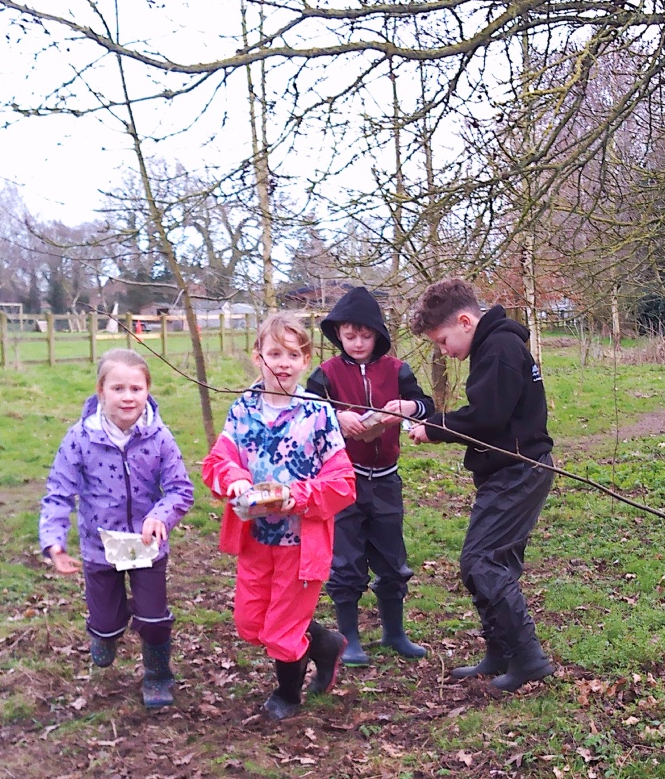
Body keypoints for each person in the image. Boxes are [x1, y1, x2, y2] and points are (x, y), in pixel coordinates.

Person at [202, 311, 357, 720]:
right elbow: (216, 462)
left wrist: (297, 496)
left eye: (293, 354)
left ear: (306, 360)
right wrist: (235, 479)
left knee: (281, 631)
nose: (283, 363)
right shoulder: (242, 409)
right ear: (258, 357)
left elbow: (343, 482)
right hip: (255, 538)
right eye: (274, 354)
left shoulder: (317, 414)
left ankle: (288, 695)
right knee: (251, 623)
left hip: (301, 543)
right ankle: (326, 644)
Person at [407, 277, 556, 692]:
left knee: (482, 562)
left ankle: (528, 659)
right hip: (509, 470)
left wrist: (435, 427)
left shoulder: (500, 349)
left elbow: (487, 417)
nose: (444, 351)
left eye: (442, 341)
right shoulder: (493, 346)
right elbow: (493, 413)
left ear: (465, 321)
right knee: (491, 563)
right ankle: (501, 651)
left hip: (520, 469)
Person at [39, 348, 195, 710]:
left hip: (146, 545)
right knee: (106, 623)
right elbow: (59, 491)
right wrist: (54, 543)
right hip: (100, 548)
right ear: (101, 391)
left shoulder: (159, 437)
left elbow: (180, 489)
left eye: (136, 389)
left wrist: (161, 516)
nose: (128, 397)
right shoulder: (80, 438)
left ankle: (158, 674)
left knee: (154, 618)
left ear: (147, 391)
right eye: (118, 388)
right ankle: (106, 631)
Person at [305, 286, 434, 665]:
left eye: (365, 335)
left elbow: (424, 405)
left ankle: (395, 633)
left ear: (378, 334)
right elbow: (305, 417)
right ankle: (349, 640)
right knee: (346, 560)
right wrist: (335, 417)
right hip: (342, 480)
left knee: (392, 558)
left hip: (387, 480)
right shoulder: (325, 375)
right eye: (350, 336)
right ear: (338, 335)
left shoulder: (397, 370)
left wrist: (406, 407)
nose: (358, 343)